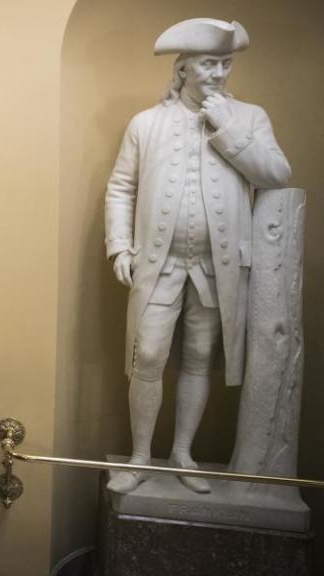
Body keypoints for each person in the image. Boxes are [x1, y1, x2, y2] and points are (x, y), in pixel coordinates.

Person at [104, 18, 291, 494]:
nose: (220, 74)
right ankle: (142, 455)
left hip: (218, 266)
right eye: (210, 64)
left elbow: (276, 173)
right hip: (157, 263)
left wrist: (227, 129)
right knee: (147, 354)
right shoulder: (146, 123)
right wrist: (119, 245)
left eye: (225, 64)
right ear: (183, 68)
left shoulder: (248, 117)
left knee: (199, 356)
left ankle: (182, 452)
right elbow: (121, 188)